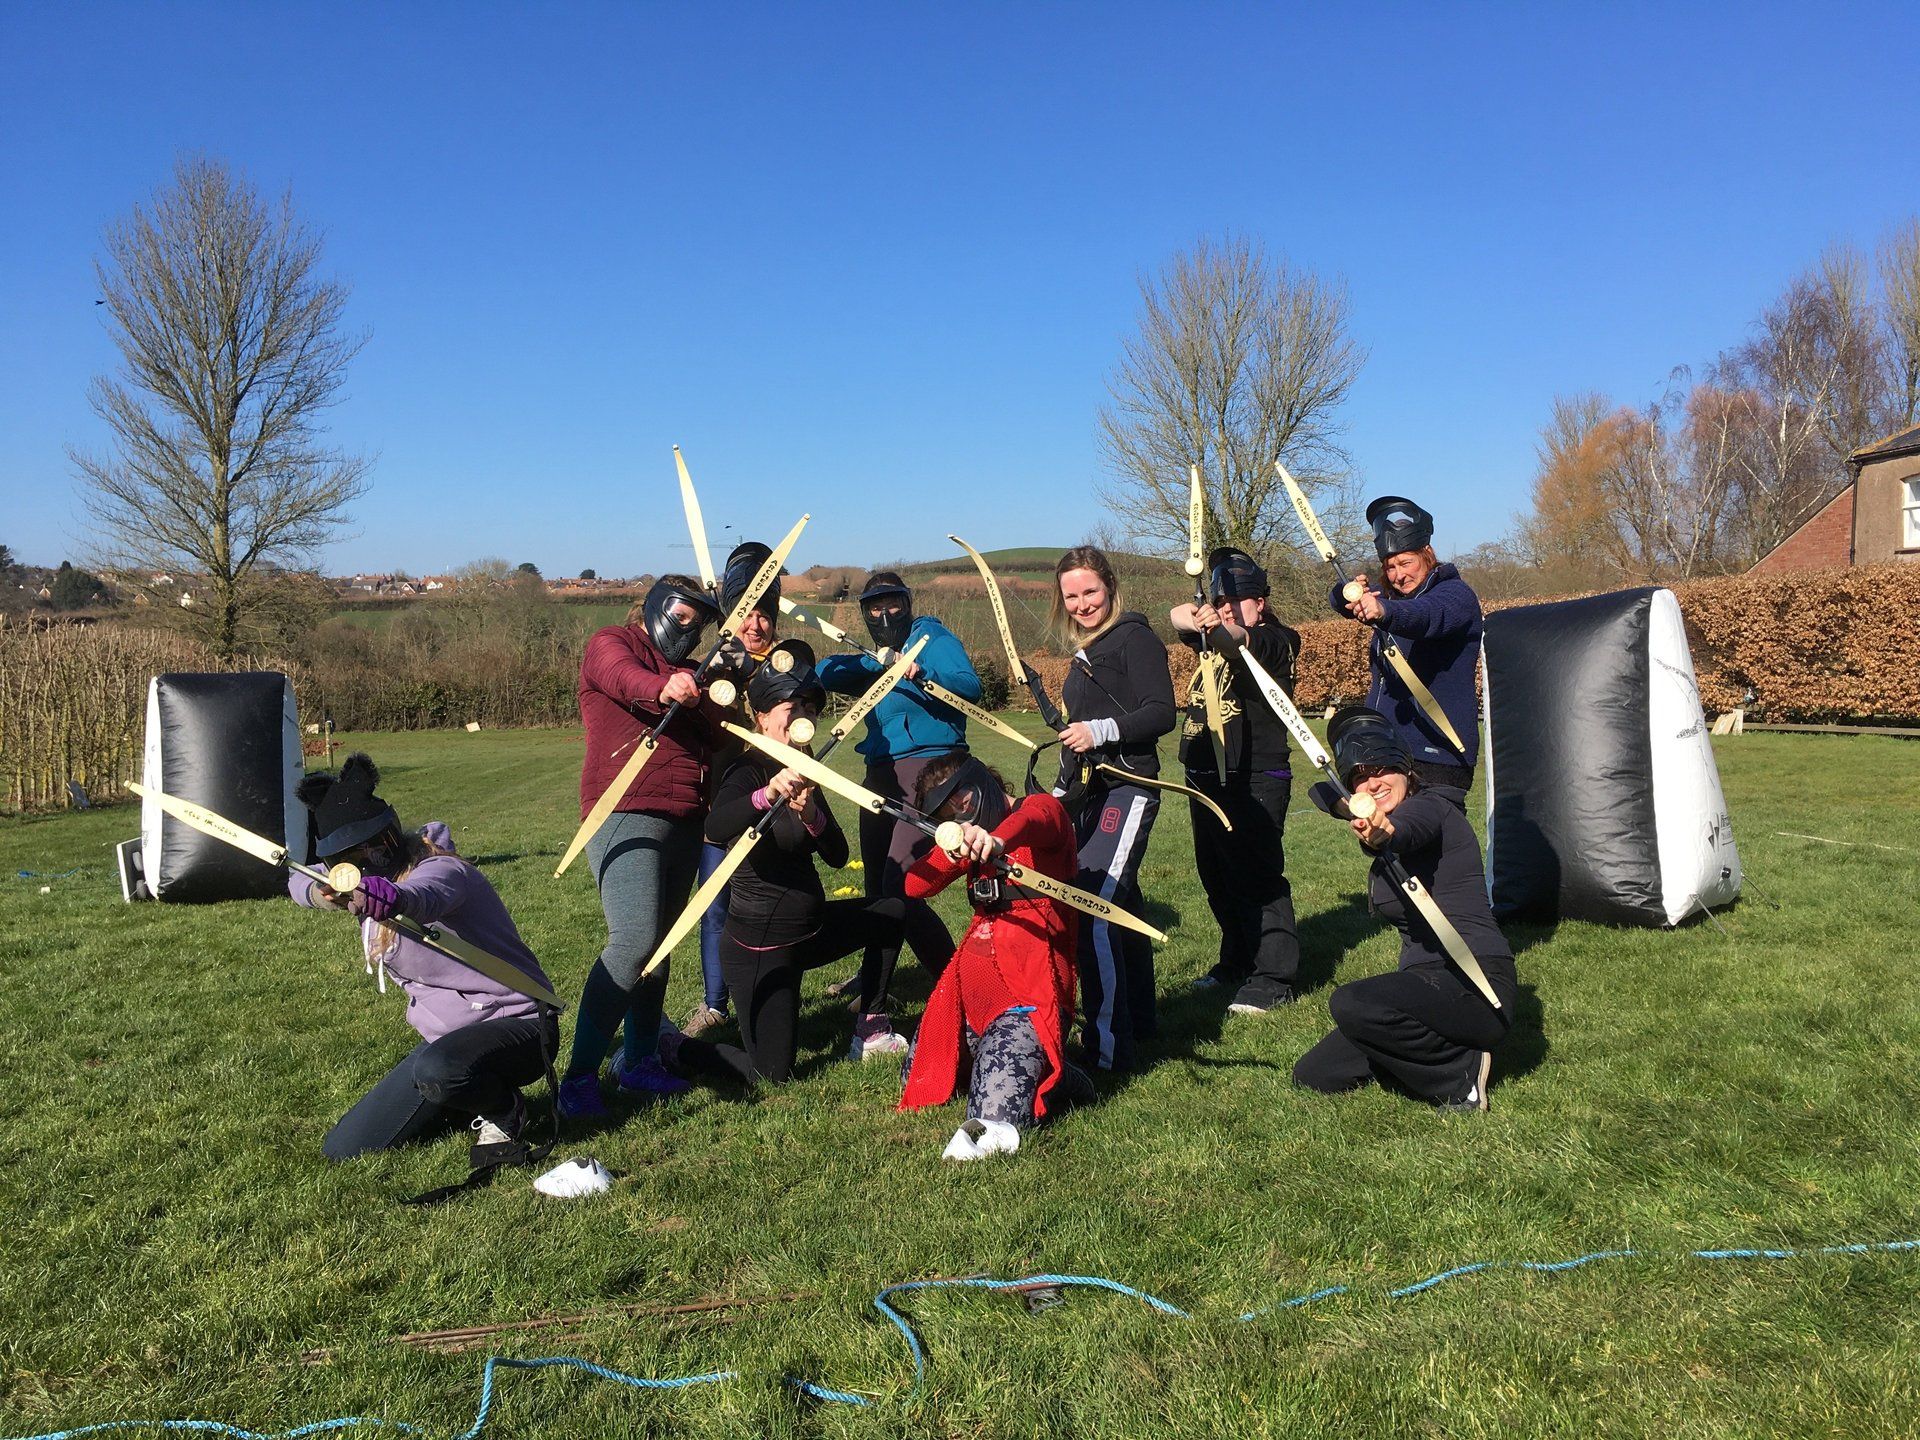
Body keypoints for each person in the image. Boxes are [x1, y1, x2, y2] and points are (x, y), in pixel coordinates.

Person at [289, 754, 558, 1164]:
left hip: (520, 1027)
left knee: (438, 1072)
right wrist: (322, 891)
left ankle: (504, 1108)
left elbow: (424, 895)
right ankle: (460, 1096)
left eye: (378, 849)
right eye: (353, 860)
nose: (370, 862)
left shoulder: (444, 869)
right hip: (446, 1042)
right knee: (345, 1148)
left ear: (392, 834)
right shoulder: (348, 883)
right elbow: (297, 878)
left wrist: (392, 897)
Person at [663, 640, 908, 1085]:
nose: (801, 716)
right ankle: (673, 1045)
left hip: (811, 933)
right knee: (771, 1073)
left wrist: (812, 815)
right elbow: (715, 827)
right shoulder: (747, 770)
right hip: (761, 950)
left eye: (809, 708)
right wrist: (767, 794)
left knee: (892, 913)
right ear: (762, 717)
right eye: (790, 706)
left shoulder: (807, 767)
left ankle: (871, 1028)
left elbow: (837, 856)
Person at [1292, 706, 1518, 1110]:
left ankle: (1461, 1073)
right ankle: (1420, 1052)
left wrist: (1383, 832)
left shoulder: (1434, 806)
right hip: (1425, 986)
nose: (1373, 783)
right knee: (1315, 1074)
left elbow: (1408, 830)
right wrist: (1353, 806)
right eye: (1360, 776)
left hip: (1476, 984)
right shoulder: (1371, 803)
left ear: (1405, 769)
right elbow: (1320, 793)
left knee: (1352, 1002)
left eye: (1381, 769)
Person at [558, 573, 723, 1118]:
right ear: (655, 607)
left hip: (684, 818)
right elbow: (620, 675)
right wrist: (664, 688)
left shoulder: (693, 673)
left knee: (658, 948)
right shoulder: (613, 642)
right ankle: (579, 1078)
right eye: (682, 616)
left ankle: (640, 1061)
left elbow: (718, 730)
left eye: (698, 624)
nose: (689, 629)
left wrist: (717, 690)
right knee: (633, 941)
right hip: (624, 809)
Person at [817, 570, 983, 1057]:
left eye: (893, 604)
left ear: (907, 604)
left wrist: (919, 671)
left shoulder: (931, 637)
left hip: (929, 771)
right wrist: (874, 662)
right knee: (878, 893)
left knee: (899, 889)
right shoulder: (878, 654)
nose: (884, 614)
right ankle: (875, 988)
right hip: (881, 774)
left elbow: (969, 686)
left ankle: (961, 989)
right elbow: (826, 673)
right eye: (874, 607)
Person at [899, 754, 1092, 1159]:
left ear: (981, 780)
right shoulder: (969, 840)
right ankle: (1039, 1064)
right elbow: (915, 886)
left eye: (961, 801)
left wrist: (997, 841)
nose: (960, 814)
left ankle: (1059, 1075)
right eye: (948, 814)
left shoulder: (1040, 809)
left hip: (1028, 999)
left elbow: (1036, 820)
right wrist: (952, 852)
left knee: (992, 1119)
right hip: (970, 1000)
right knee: (920, 1078)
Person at [1051, 545, 1176, 1072]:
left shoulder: (1135, 638)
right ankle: (1139, 1022)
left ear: (1110, 587)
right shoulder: (1087, 650)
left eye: (1091, 592)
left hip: (1129, 787)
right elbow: (1073, 737)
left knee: (1094, 909)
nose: (1082, 604)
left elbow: (1162, 712)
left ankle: (1107, 1051)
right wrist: (1058, 795)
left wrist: (1100, 730)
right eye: (1071, 596)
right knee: (1122, 907)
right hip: (1091, 793)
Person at [1170, 547, 1303, 1014]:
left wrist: (1218, 625)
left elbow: (1238, 641)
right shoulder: (1208, 634)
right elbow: (1176, 617)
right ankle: (1236, 961)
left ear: (1259, 602)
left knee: (1257, 877)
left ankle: (1273, 977)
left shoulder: (1279, 640)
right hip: (1205, 776)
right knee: (1218, 877)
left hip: (1255, 776)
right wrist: (1197, 616)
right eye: (1220, 601)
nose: (1227, 608)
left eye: (1237, 600)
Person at [683, 541, 782, 1041]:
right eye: (747, 613)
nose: (756, 624)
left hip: (776, 807)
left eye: (765, 615)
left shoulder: (786, 665)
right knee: (715, 905)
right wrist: (717, 672)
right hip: (721, 807)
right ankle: (715, 1004)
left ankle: (774, 995)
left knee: (774, 905)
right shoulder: (712, 664)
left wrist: (755, 671)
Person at [1330, 496, 1483, 793]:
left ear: (1427, 554)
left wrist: (1383, 611)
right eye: (1389, 567)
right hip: (1387, 749)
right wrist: (1349, 591)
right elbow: (1339, 601)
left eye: (1405, 563)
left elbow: (1425, 616)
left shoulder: (1455, 595)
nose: (1398, 575)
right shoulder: (1391, 597)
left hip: (1438, 754)